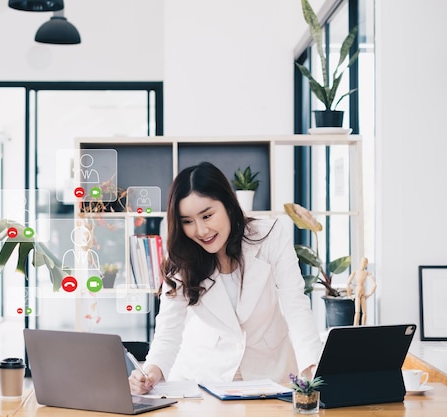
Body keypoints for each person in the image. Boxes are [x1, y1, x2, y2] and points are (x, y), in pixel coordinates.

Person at [129, 162, 322, 395]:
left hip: (269, 377)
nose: (201, 230)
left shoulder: (269, 235)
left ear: (229, 205)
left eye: (207, 216)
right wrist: (151, 372)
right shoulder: (181, 256)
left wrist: (311, 367)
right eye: (188, 221)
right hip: (203, 379)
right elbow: (168, 330)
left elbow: (295, 304)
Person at [346, 257, 376, 326]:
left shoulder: (367, 273)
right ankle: (355, 326)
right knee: (357, 312)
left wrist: (369, 294)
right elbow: (347, 284)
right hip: (357, 293)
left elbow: (374, 285)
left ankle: (363, 326)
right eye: (363, 262)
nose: (363, 264)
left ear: (366, 264)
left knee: (364, 312)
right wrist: (349, 294)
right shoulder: (355, 271)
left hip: (362, 293)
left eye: (365, 263)